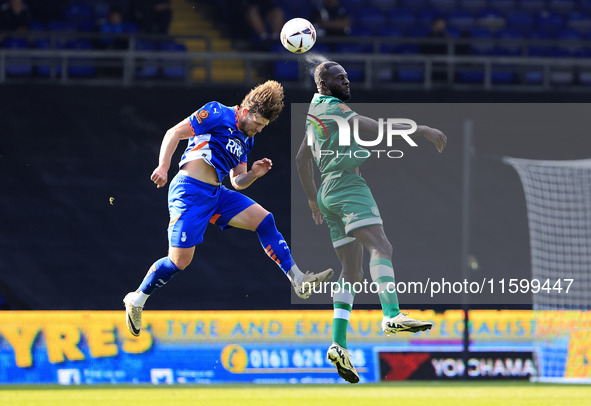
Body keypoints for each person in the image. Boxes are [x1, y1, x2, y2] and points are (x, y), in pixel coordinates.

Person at [124, 80, 333, 336]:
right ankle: (137, 299)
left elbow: (237, 181)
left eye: (263, 128)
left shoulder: (247, 140)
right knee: (180, 261)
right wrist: (163, 167)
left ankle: (298, 279)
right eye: (258, 124)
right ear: (247, 111)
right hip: (189, 192)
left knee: (265, 220)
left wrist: (254, 174)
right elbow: (174, 133)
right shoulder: (216, 112)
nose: (258, 130)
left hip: (216, 194)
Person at [296, 61, 447, 384]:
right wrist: (421, 130)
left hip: (327, 191)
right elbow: (376, 128)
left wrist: (313, 198)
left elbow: (301, 159)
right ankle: (391, 315)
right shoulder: (334, 108)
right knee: (382, 246)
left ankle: (338, 344)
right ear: (324, 83)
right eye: (340, 77)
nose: (347, 81)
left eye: (348, 76)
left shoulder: (314, 111)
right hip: (348, 185)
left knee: (352, 271)